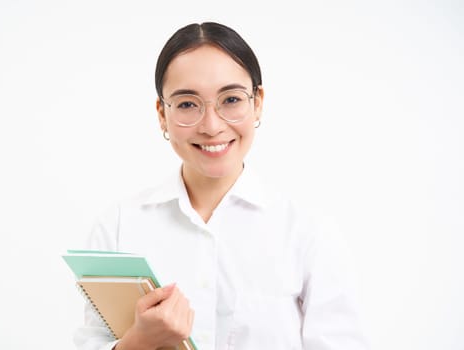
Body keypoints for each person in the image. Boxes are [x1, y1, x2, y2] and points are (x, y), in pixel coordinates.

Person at [74, 22, 370, 350]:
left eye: (231, 99)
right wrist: (139, 343)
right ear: (162, 114)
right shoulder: (118, 227)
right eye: (187, 104)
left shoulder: (309, 234)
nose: (212, 126)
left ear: (257, 102)